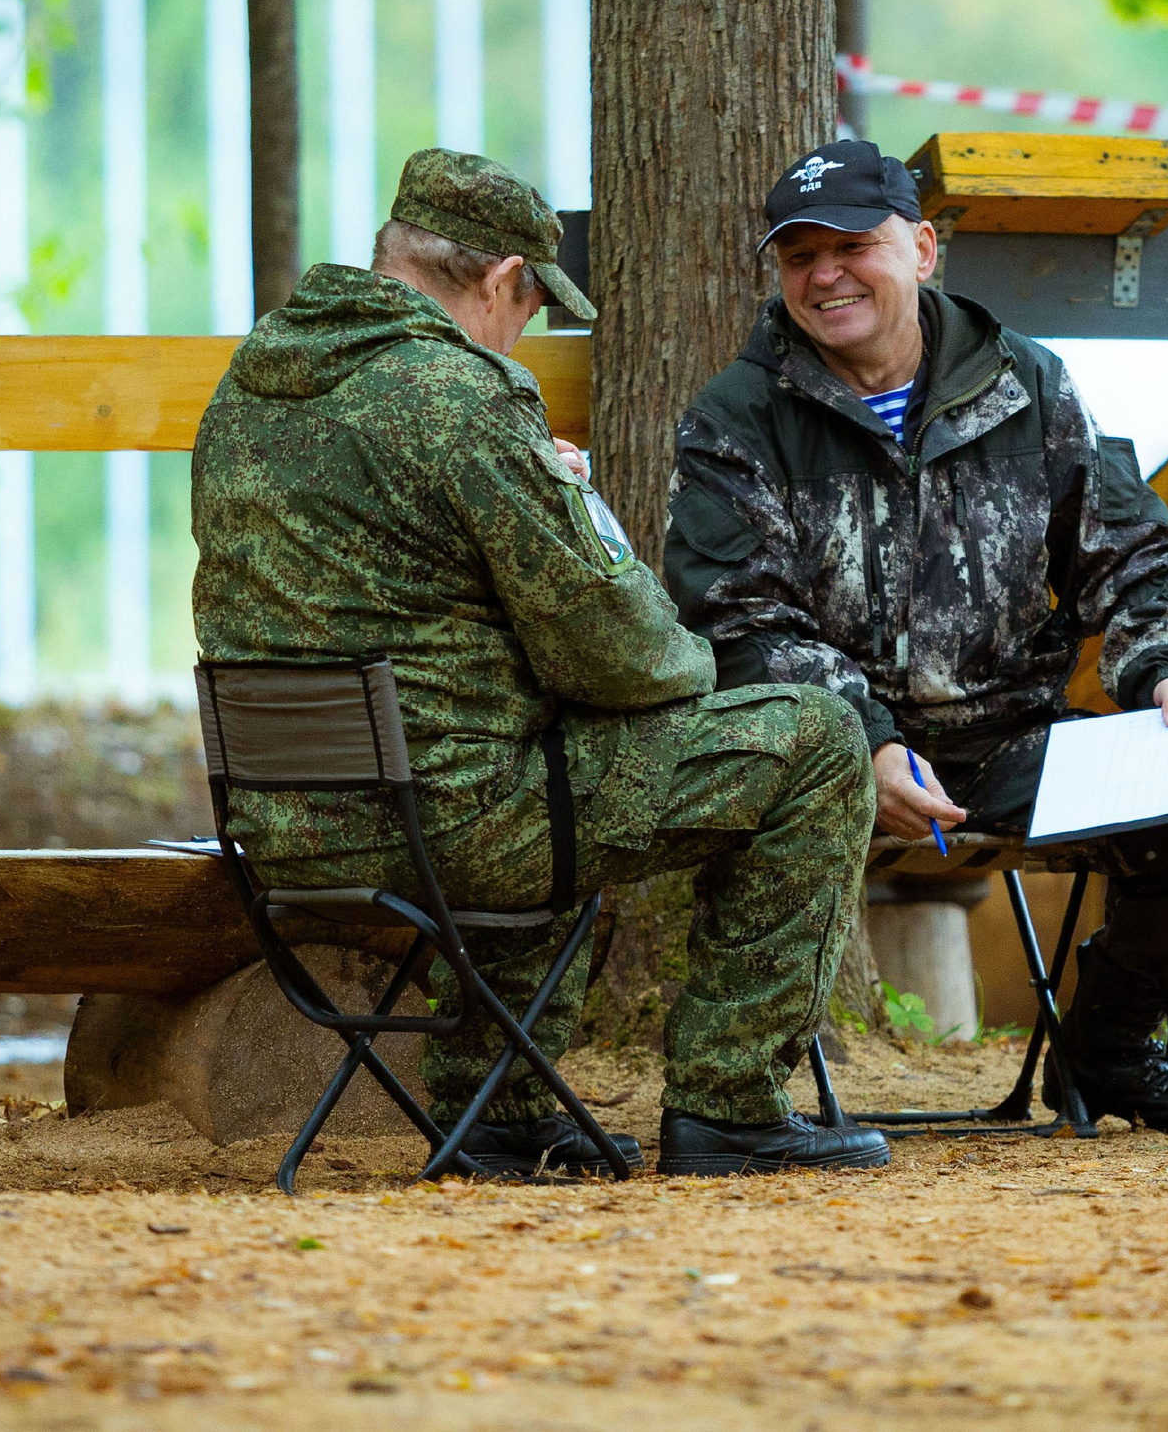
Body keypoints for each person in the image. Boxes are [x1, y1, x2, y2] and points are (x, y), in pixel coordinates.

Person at [191, 148, 890, 1178]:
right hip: (449, 827)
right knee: (819, 740)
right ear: (504, 278)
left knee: (539, 750)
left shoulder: (250, 391)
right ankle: (729, 1103)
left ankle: (501, 1108)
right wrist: (589, 525)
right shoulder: (465, 401)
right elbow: (617, 652)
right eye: (529, 308)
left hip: (285, 825)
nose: (523, 334)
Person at [665, 139, 1168, 1133]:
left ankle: (1107, 1048)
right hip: (822, 759)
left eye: (853, 246)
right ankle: (740, 1104)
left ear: (923, 249)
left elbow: (1129, 558)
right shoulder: (737, 417)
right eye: (798, 255)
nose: (824, 275)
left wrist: (1165, 669)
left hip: (1013, 745)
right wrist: (868, 741)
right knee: (775, 774)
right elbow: (740, 619)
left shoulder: (1031, 383)